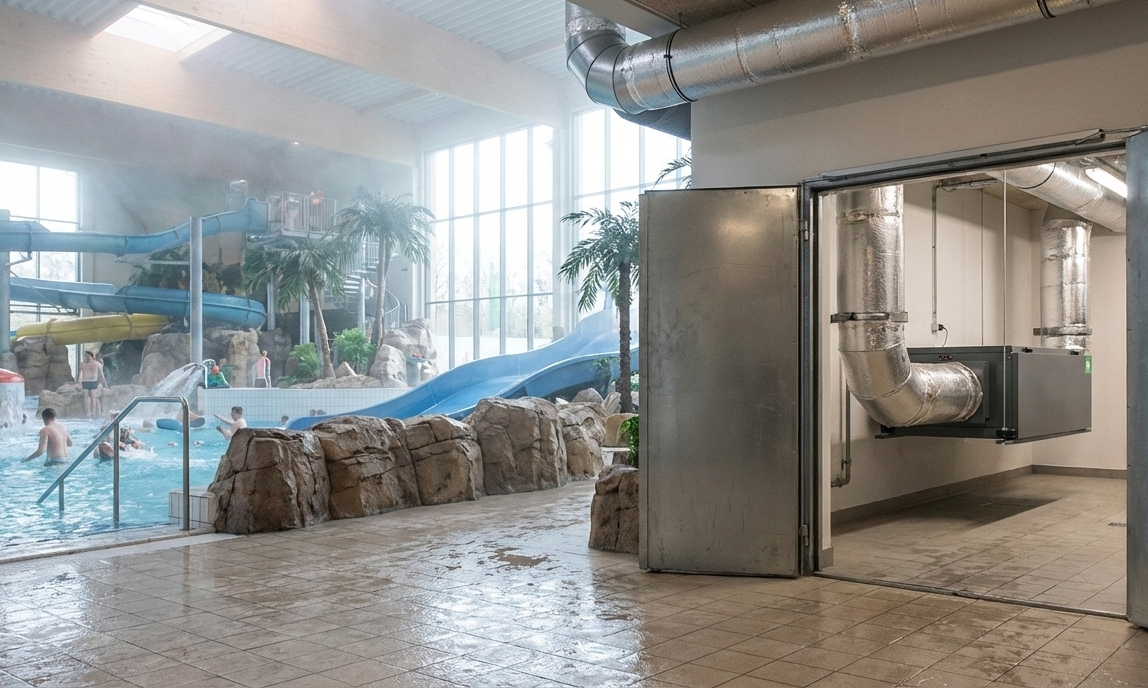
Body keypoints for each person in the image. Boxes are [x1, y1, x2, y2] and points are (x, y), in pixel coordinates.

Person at [76, 351, 107, 419]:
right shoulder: (82, 364)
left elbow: (101, 376)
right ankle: (87, 413)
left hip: (93, 382)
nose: (86, 358)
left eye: (88, 356)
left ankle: (93, 413)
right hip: (85, 381)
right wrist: (77, 383)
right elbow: (79, 374)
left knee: (93, 398)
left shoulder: (97, 364)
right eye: (85, 356)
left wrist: (104, 384)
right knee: (86, 397)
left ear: (92, 356)